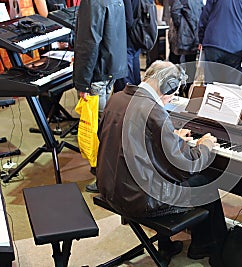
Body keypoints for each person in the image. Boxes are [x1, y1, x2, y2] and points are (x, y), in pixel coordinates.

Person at [96, 60, 228, 265]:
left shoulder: (117, 98)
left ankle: (166, 246)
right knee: (205, 181)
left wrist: (171, 138)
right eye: (173, 94)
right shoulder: (154, 111)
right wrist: (204, 145)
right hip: (141, 200)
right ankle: (207, 247)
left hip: (110, 188)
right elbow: (184, 166)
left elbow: (119, 141)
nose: (171, 99)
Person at [73, 0, 128, 192]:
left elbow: (88, 43)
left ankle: (105, 179)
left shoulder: (92, 2)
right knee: (104, 123)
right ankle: (102, 171)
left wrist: (82, 82)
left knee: (99, 128)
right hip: (112, 67)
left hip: (97, 71)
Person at [198, 0, 242, 85]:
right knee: (232, 89)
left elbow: (204, 17)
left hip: (213, 43)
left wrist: (201, 39)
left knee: (211, 87)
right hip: (237, 48)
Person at [167, 0, 203, 96]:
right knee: (187, 65)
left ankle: (178, 90)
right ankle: (183, 90)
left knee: (179, 64)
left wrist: (181, 26)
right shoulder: (199, 2)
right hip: (189, 35)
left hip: (185, 36)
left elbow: (175, 11)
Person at [113, 0, 145, 92]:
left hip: (125, 39)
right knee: (135, 76)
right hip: (137, 36)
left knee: (125, 83)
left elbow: (128, 20)